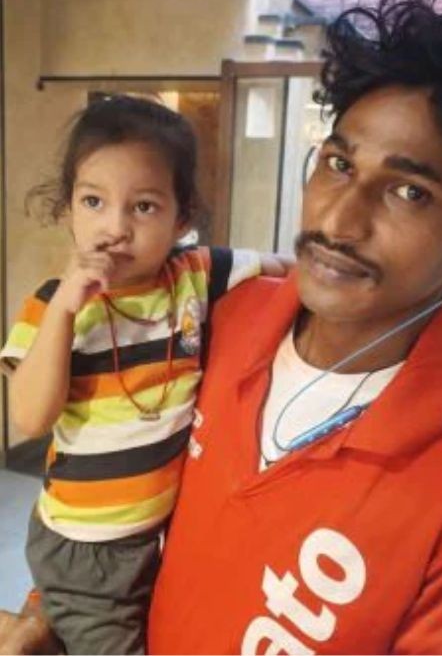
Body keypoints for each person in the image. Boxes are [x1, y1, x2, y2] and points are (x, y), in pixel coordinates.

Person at [0, 0, 442, 654]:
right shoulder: (215, 320)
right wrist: (47, 615)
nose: (338, 221)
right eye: (338, 164)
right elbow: (98, 463)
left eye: (409, 191)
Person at [0, 95, 289, 654]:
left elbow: (289, 271)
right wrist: (65, 312)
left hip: (151, 537)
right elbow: (30, 418)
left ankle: (37, 629)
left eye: (144, 207)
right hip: (85, 547)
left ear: (183, 219)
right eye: (93, 201)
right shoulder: (53, 304)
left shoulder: (195, 275)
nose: (115, 227)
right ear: (68, 210)